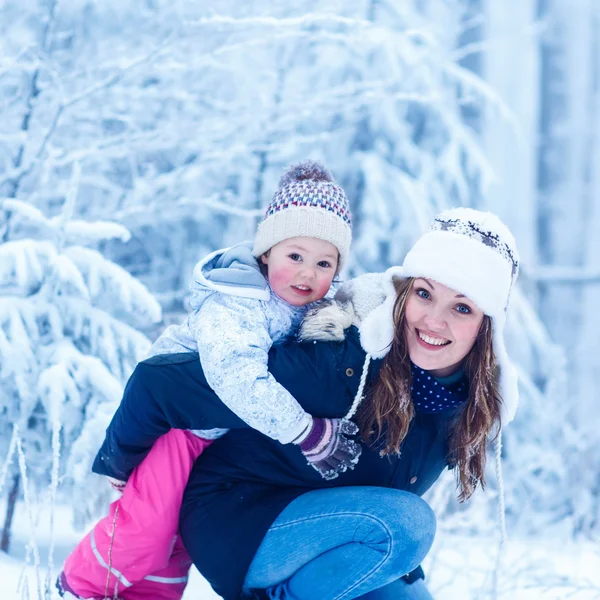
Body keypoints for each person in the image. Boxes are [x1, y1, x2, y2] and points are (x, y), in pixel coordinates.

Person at [61, 207, 520, 600]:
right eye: (424, 294)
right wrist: (121, 462)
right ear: (403, 295)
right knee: (410, 525)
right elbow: (160, 382)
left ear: (486, 327)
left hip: (323, 536)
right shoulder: (344, 364)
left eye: (462, 307)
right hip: (237, 516)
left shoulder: (458, 405)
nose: (434, 320)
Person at [57, 160, 364, 600]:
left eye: (323, 263)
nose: (306, 273)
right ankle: (78, 586)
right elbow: (234, 375)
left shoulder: (312, 309)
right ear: (266, 253)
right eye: (294, 256)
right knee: (148, 528)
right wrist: (305, 431)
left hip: (222, 436)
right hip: (179, 427)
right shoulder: (237, 300)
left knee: (177, 541)